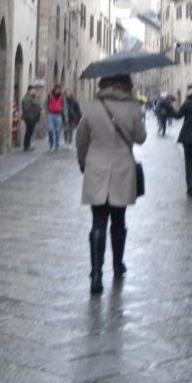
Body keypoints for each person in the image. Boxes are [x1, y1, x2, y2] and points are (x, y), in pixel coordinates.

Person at [75, 74, 146, 295]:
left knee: (98, 221)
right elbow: (141, 138)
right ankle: (117, 265)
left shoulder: (93, 106)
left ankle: (96, 274)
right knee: (118, 220)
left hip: (96, 169)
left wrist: (83, 162)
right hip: (122, 170)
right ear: (126, 85)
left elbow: (81, 139)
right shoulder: (133, 106)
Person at [20, 85, 42, 151]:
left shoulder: (32, 97)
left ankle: (27, 145)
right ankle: (26, 146)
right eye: (33, 90)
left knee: (29, 132)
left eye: (35, 90)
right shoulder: (27, 98)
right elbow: (26, 109)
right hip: (29, 118)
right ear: (30, 91)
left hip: (32, 118)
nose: (35, 92)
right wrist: (35, 111)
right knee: (28, 132)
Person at [46, 85, 65, 151]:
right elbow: (46, 104)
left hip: (58, 115)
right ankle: (51, 144)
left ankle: (57, 144)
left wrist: (65, 116)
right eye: (57, 89)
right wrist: (46, 112)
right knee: (50, 130)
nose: (58, 90)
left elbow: (64, 106)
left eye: (59, 89)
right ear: (54, 89)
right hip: (51, 114)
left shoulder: (62, 96)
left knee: (57, 131)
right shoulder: (50, 95)